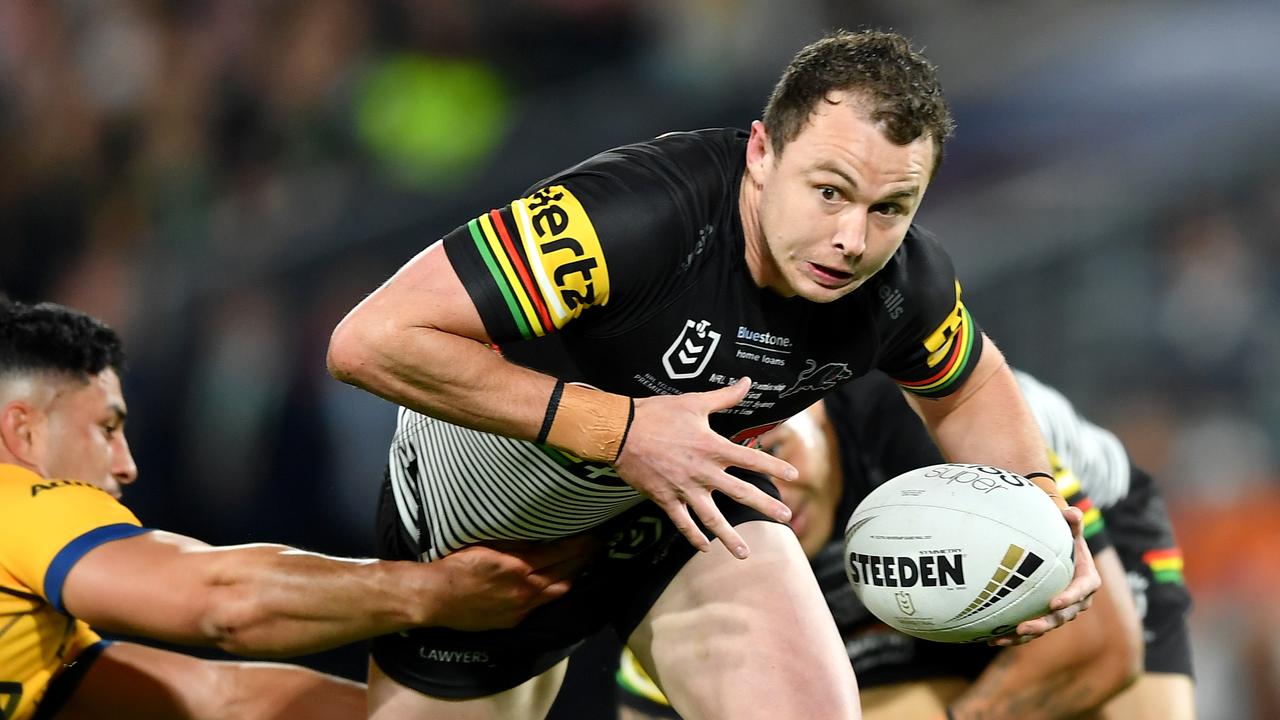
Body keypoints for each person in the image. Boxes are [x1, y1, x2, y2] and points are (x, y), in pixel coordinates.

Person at [327, 29, 1100, 720]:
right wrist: (620, 430)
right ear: (761, 153)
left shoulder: (904, 284)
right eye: (828, 191)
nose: (852, 240)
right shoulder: (635, 217)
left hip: (689, 516)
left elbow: (969, 383)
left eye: (891, 207)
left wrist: (1039, 502)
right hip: (492, 540)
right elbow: (371, 340)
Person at [0, 300, 593, 720]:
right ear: (23, 431)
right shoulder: (15, 504)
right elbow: (222, 600)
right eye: (106, 427)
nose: (127, 464)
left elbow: (225, 699)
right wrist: (431, 591)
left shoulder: (38, 647)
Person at [616, 368, 1194, 719]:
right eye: (739, 482)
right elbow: (649, 710)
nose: (774, 499)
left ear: (815, 413)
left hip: (1085, 529)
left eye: (778, 454)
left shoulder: (918, 424)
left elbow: (1101, 651)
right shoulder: (676, 514)